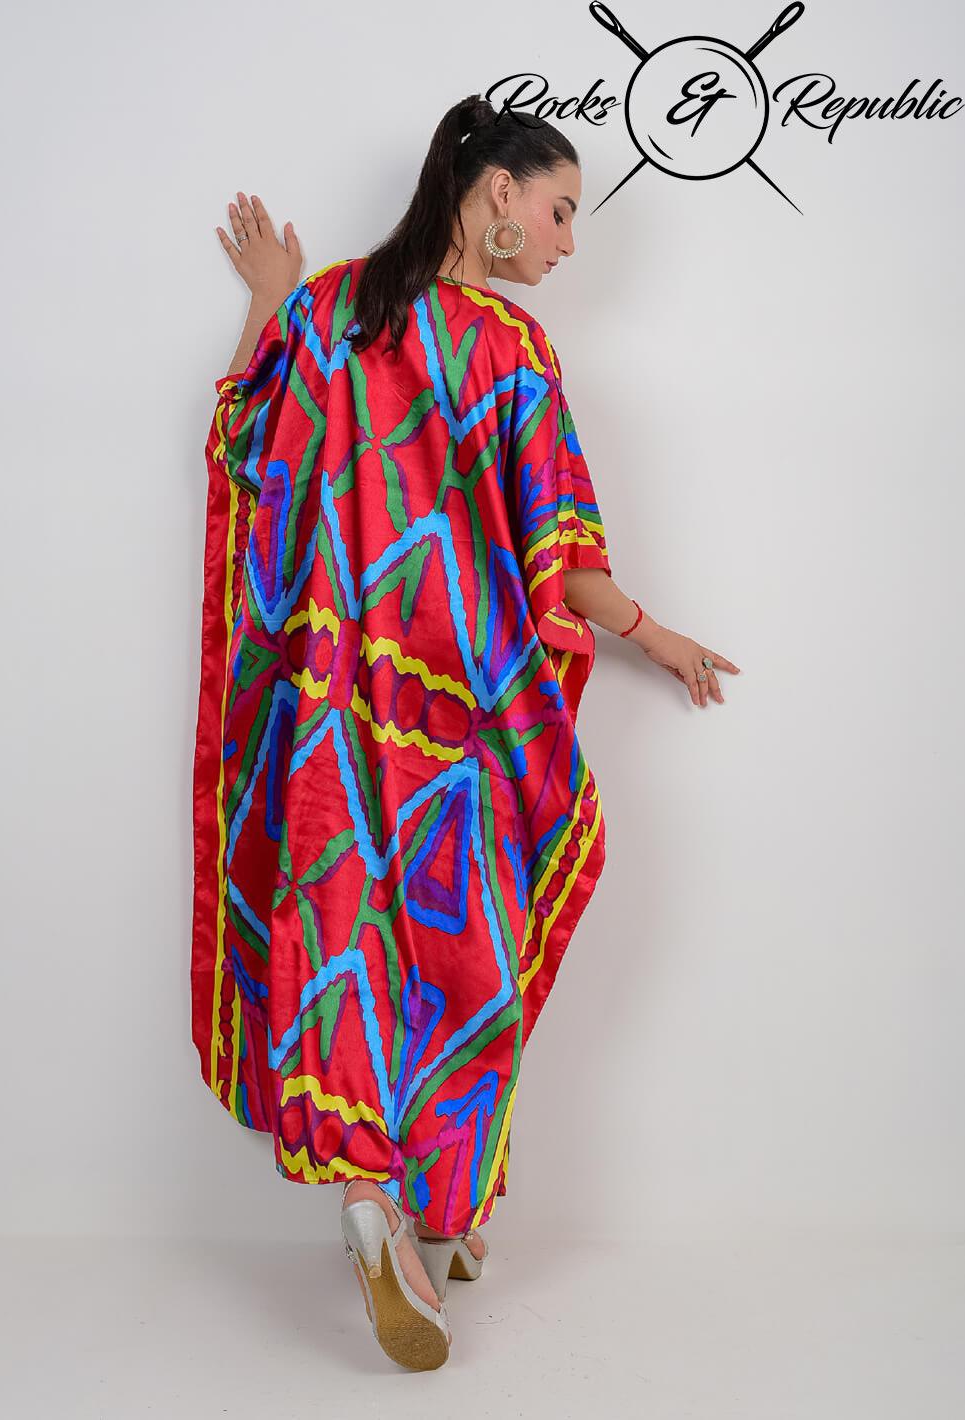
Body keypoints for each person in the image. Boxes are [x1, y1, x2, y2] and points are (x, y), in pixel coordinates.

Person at [192, 94, 741, 1372]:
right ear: (497, 192)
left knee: (345, 942)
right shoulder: (510, 349)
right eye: (558, 210)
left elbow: (245, 445)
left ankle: (376, 1199)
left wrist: (270, 300)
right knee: (461, 951)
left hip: (335, 719)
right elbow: (563, 554)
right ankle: (436, 1210)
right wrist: (653, 631)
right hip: (466, 727)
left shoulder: (334, 310)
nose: (566, 242)